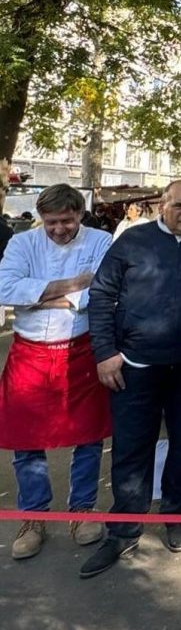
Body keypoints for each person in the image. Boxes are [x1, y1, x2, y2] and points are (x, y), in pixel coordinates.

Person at [81, 180, 181, 579]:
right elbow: (100, 295)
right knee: (132, 448)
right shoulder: (132, 242)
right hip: (135, 363)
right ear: (162, 205)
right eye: (179, 205)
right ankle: (124, 528)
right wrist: (105, 353)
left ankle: (177, 516)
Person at [0, 184, 112, 559]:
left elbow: (103, 291)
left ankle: (81, 510)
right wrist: (73, 286)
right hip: (28, 350)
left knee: (88, 435)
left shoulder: (101, 241)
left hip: (81, 350)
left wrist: (40, 295)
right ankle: (33, 515)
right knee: (25, 439)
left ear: (80, 214)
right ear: (40, 218)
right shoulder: (22, 244)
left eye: (67, 220)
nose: (60, 229)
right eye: (52, 222)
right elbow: (5, 289)